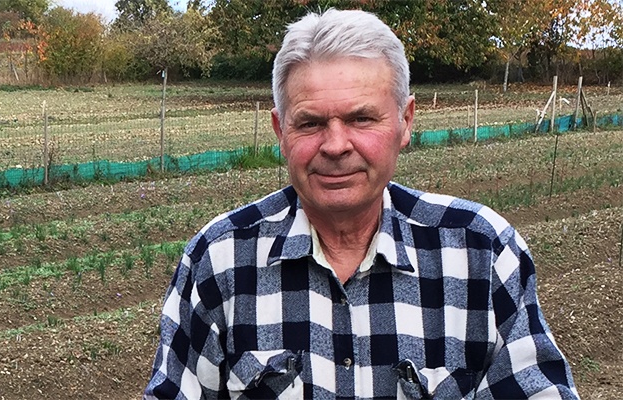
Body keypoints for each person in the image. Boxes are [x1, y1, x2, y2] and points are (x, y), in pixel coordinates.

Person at [142, 8, 578, 399]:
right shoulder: (219, 260)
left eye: (361, 118)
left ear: (405, 122)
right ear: (279, 131)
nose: (335, 145)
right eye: (310, 123)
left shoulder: (483, 253)